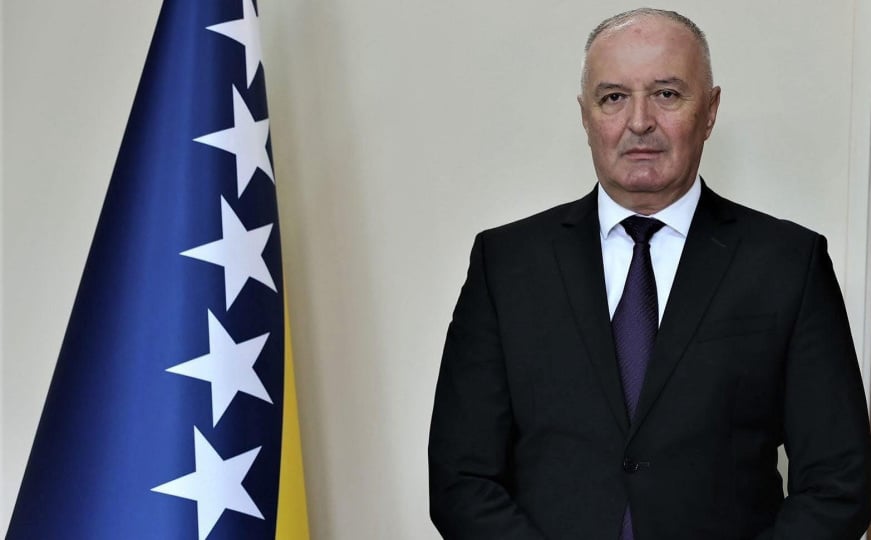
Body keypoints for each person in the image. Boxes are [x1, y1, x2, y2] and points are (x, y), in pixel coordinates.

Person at [428, 8, 871, 539]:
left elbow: (839, 482)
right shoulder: (506, 263)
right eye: (614, 97)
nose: (639, 121)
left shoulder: (788, 263)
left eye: (666, 93)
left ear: (710, 111)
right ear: (586, 115)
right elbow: (461, 479)